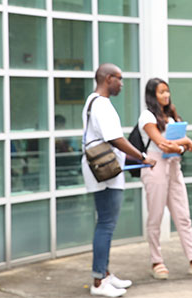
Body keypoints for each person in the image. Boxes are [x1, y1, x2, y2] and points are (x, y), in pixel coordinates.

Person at [82, 63, 156, 297]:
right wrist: (143, 156)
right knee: (106, 224)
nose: (122, 84)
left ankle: (104, 274)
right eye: (119, 79)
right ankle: (98, 282)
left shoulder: (92, 101)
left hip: (104, 170)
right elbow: (115, 138)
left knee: (106, 223)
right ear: (108, 79)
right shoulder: (101, 104)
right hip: (106, 173)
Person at [139, 78, 192, 280]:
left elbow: (180, 148)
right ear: (152, 95)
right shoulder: (147, 116)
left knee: (183, 216)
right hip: (155, 166)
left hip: (174, 166)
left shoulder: (171, 116)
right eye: (161, 92)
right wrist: (184, 141)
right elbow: (162, 143)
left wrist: (181, 146)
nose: (166, 95)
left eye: (167, 91)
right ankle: (156, 261)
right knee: (155, 217)